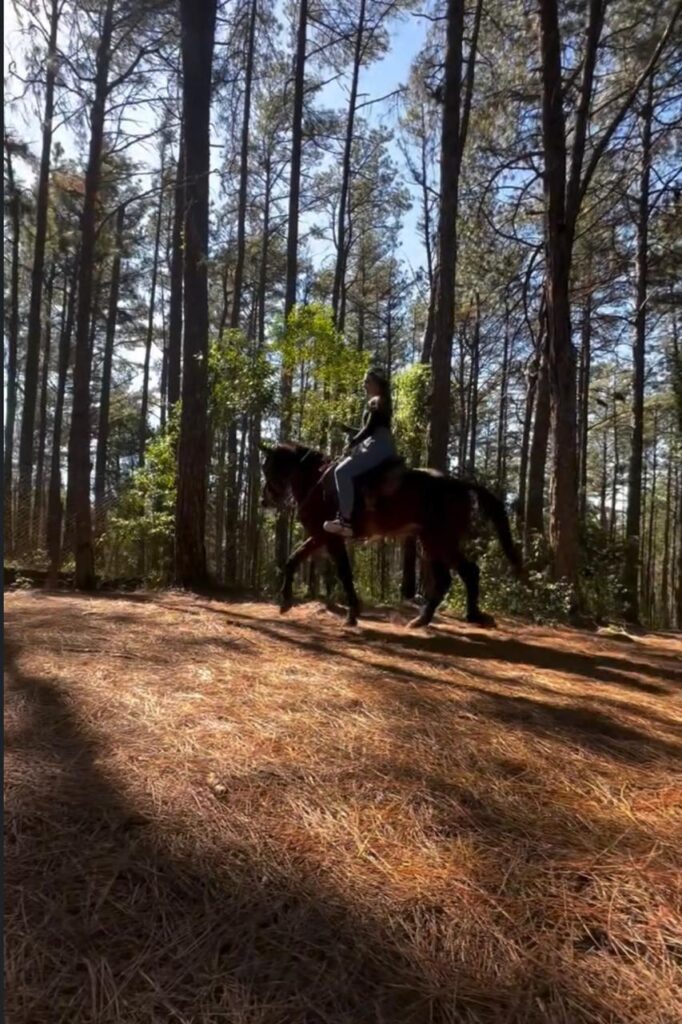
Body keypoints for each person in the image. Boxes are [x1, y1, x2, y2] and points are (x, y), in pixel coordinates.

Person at [324, 368, 397, 538]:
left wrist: (352, 442)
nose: (364, 385)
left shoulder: (377, 402)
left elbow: (369, 429)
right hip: (378, 444)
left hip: (378, 446)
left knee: (341, 472)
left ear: (376, 384)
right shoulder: (380, 401)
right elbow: (369, 429)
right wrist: (348, 430)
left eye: (367, 382)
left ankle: (345, 521)